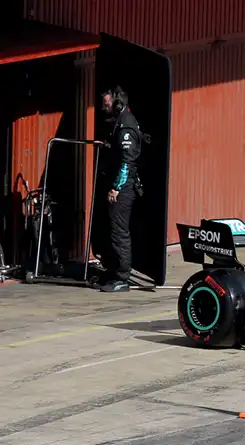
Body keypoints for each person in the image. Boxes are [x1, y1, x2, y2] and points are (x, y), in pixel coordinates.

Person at [96, 86, 142, 292]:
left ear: (117, 104)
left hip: (123, 188)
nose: (104, 108)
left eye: (106, 105)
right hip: (119, 184)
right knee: (111, 230)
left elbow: (127, 160)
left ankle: (122, 277)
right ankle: (113, 271)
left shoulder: (126, 126)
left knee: (119, 232)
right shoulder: (119, 122)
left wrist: (116, 187)